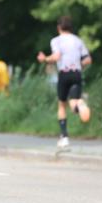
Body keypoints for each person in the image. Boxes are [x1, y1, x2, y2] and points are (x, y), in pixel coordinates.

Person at [37, 15, 92, 149]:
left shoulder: (56, 41)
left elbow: (56, 56)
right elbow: (88, 59)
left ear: (59, 27)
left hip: (64, 74)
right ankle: (80, 106)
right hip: (77, 73)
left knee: (62, 105)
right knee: (73, 103)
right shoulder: (78, 41)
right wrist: (78, 64)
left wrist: (44, 59)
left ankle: (64, 137)